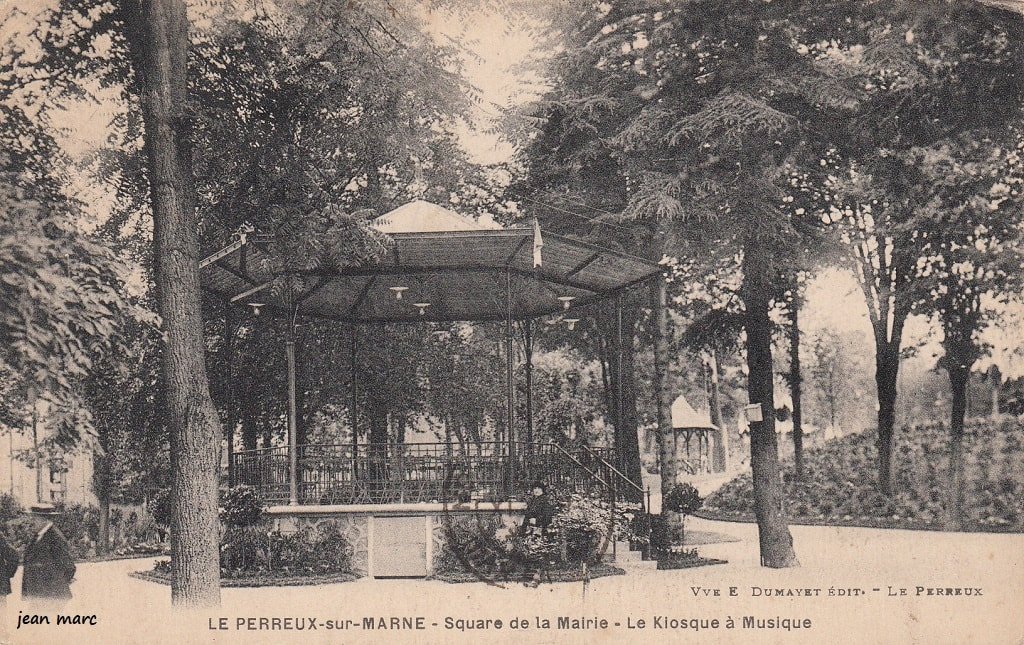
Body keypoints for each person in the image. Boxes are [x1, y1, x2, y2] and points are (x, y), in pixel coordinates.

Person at [22, 503, 76, 606]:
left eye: (34, 519)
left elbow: (69, 566)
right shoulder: (38, 536)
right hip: (40, 594)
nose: (31, 522)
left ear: (44, 519)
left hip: (51, 596)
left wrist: (56, 584)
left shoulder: (55, 537)